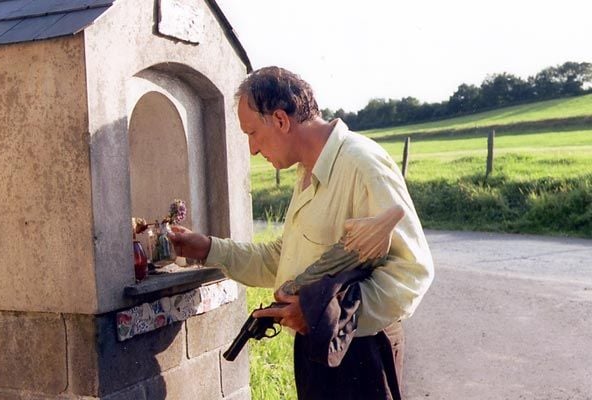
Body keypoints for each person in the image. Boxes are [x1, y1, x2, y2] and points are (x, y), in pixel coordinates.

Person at [168, 66, 434, 399]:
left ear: (280, 120)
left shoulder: (362, 164)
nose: (251, 149)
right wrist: (206, 248)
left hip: (359, 354)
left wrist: (326, 315)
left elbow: (412, 272)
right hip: (316, 349)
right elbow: (282, 260)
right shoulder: (308, 171)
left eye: (252, 133)